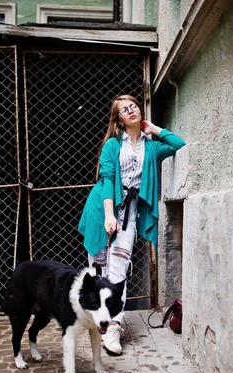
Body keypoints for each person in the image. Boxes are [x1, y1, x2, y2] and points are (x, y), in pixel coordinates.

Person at [78, 94, 186, 355]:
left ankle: (114, 326)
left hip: (130, 213)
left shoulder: (151, 147)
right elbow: (106, 179)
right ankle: (97, 319)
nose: (131, 110)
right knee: (98, 269)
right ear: (119, 120)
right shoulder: (113, 145)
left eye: (133, 106)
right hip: (102, 208)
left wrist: (155, 129)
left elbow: (178, 144)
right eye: (124, 110)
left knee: (119, 270)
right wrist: (108, 215)